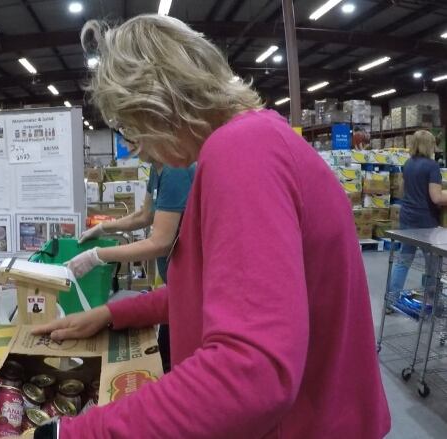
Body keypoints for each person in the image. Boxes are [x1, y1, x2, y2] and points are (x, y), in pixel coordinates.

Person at [28, 15, 390, 439]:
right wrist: (112, 313)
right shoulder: (256, 141)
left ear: (158, 100)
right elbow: (214, 290)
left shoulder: (241, 151)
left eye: (130, 126)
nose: (135, 149)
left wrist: (68, 435)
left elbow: (251, 374)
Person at [68, 156, 196, 371]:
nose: (128, 148)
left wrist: (97, 255)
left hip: (188, 289)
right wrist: (102, 229)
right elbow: (145, 215)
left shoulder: (175, 169)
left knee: (175, 365)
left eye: (131, 136)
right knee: (165, 357)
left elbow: (160, 242)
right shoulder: (158, 169)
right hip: (174, 288)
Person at [389, 130, 447, 293]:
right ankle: (430, 297)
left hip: (407, 217)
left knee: (404, 259)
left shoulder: (408, 164)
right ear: (429, 145)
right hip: (425, 221)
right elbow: (436, 198)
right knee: (432, 262)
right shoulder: (432, 166)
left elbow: (401, 191)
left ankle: (392, 297)